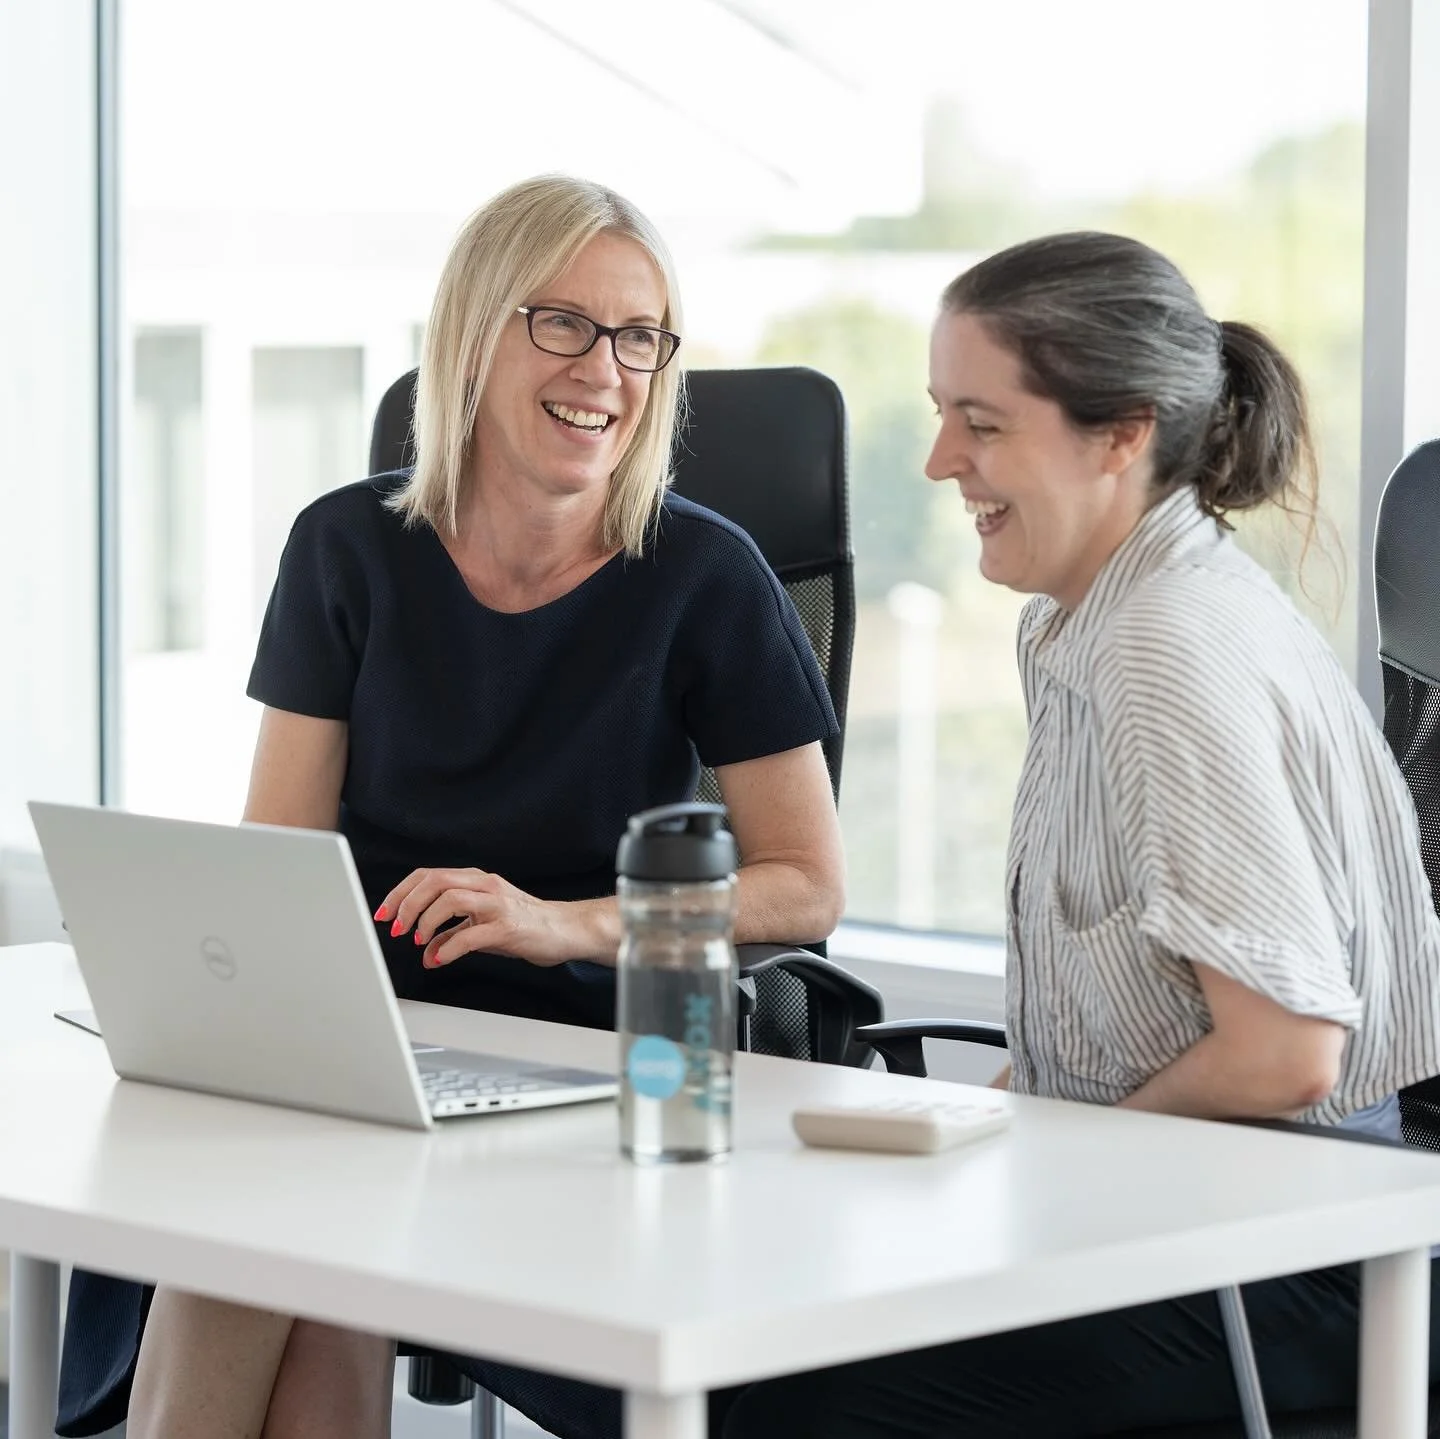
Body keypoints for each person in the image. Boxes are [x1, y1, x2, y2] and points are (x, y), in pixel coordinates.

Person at [55, 174, 845, 1439]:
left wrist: (562, 922)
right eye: (565, 322)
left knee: (281, 1199)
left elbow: (805, 884)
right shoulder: (346, 546)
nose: (605, 369)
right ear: (474, 333)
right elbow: (280, 858)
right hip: (362, 1030)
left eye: (640, 335)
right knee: (286, 1178)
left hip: (581, 1044)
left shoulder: (706, 573)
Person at [718, 231, 1440, 1436]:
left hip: (1300, 1242)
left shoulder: (1169, 643)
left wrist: (1031, 1164)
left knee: (790, 1408)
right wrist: (982, 1137)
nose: (940, 460)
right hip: (1185, 1204)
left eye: (983, 423)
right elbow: (1114, 1028)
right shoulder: (1083, 620)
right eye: (941, 415)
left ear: (1121, 436)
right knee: (759, 1307)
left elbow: (1288, 1052)